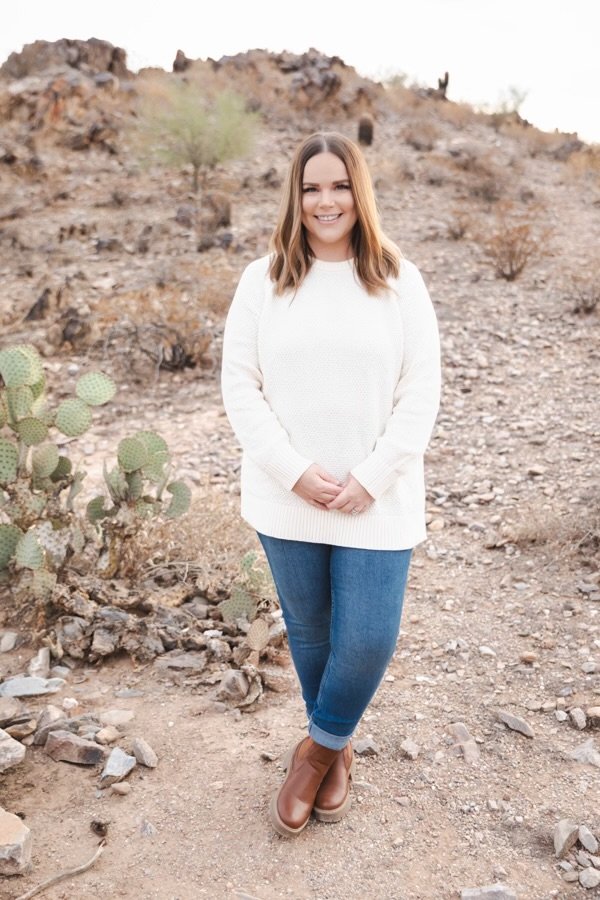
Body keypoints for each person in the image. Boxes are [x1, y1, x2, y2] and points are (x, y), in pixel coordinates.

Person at [220, 131, 441, 837]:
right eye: (311, 187)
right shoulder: (263, 280)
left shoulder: (399, 278)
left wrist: (372, 478)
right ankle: (337, 752)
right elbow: (240, 387)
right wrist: (294, 472)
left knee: (369, 639)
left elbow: (422, 391)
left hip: (379, 499)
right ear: (296, 195)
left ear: (360, 192)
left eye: (339, 185)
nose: (325, 200)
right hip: (286, 497)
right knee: (311, 635)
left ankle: (316, 751)